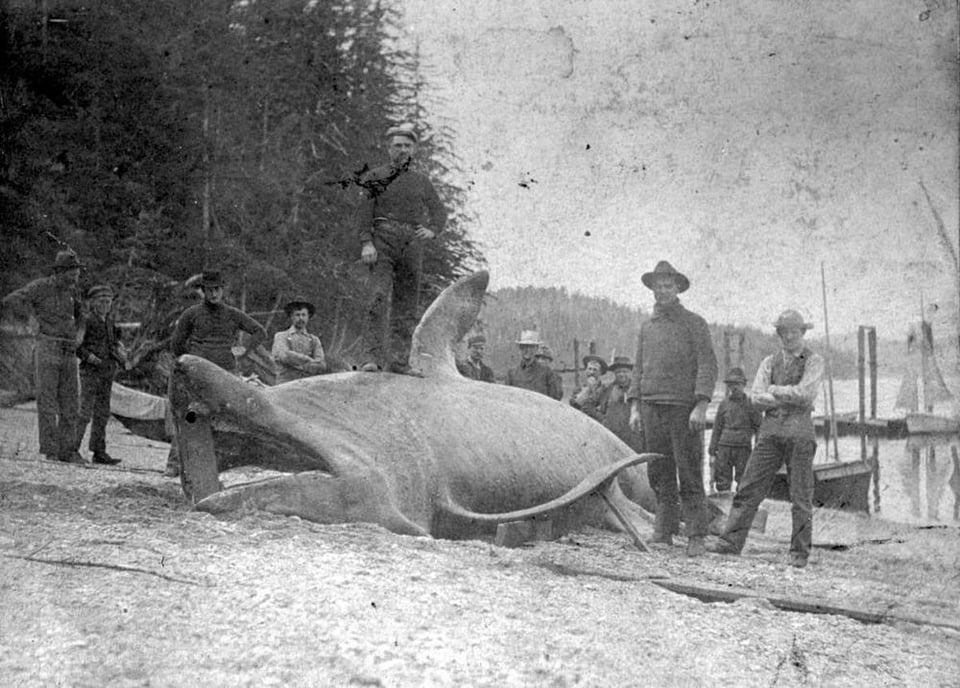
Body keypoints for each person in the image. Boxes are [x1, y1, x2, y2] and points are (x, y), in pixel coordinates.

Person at [708, 310, 824, 568]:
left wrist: (774, 391)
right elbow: (756, 398)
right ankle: (730, 543)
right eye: (785, 331)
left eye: (795, 331)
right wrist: (783, 396)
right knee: (748, 488)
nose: (790, 336)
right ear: (779, 334)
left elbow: (806, 393)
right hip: (770, 432)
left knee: (801, 496)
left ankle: (799, 553)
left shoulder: (814, 361)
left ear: (802, 333)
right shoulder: (769, 362)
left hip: (799, 432)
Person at [627, 260, 718, 556]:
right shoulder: (646, 327)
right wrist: (636, 407)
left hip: (683, 409)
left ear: (678, 288)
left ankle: (696, 534)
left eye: (668, 286)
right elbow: (639, 367)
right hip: (652, 407)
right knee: (658, 471)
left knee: (689, 470)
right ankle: (663, 531)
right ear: (651, 289)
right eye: (658, 287)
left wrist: (701, 404)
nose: (662, 291)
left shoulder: (694, 323)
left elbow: (707, 364)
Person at [357, 123, 447, 374]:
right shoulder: (375, 177)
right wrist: (366, 242)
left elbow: (439, 212)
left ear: (414, 149)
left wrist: (432, 230)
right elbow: (364, 212)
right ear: (389, 148)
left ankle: (399, 362)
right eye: (398, 145)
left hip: (411, 243)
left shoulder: (421, 181)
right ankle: (370, 359)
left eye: (408, 146)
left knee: (407, 305)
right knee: (377, 297)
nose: (403, 150)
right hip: (382, 239)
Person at [164, 270, 267, 477]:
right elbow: (176, 343)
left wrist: (244, 352)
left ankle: (221, 465)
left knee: (227, 418)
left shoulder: (232, 314)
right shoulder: (191, 314)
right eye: (209, 290)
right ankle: (175, 464)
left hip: (225, 373)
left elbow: (259, 332)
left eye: (217, 290)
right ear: (203, 291)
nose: (213, 295)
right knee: (189, 416)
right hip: (197, 374)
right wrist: (189, 361)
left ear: (222, 290)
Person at [1, 249, 85, 463]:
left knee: (71, 403)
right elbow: (12, 300)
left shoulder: (74, 291)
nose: (74, 279)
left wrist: (80, 335)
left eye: (76, 275)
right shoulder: (40, 287)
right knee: (47, 402)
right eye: (71, 274)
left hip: (68, 351)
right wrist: (31, 317)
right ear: (59, 272)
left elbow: (81, 315)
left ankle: (69, 450)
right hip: (47, 346)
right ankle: (51, 451)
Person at [76, 284, 124, 465]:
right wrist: (90, 358)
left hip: (106, 371)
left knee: (102, 413)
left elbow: (113, 345)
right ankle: (71, 448)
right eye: (102, 301)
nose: (106, 305)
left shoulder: (110, 323)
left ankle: (98, 451)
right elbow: (77, 346)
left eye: (108, 301)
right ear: (93, 303)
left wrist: (120, 357)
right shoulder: (86, 321)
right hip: (90, 371)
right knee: (84, 411)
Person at [708, 367, 761, 493]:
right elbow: (717, 427)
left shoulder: (751, 405)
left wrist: (758, 448)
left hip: (743, 447)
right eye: (731, 384)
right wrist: (712, 448)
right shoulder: (723, 404)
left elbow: (759, 427)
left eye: (737, 384)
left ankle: (740, 509)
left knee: (743, 481)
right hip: (724, 447)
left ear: (744, 385)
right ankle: (724, 505)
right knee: (722, 480)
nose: (734, 387)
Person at [271, 298, 326, 384]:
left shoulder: (314, 340)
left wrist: (299, 362)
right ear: (291, 317)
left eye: (304, 315)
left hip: (307, 385)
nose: (301, 318)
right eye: (297, 315)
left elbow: (321, 364)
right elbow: (285, 356)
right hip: (286, 385)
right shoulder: (281, 336)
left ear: (308, 317)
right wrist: (310, 361)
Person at [600, 356, 644, 453]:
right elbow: (599, 408)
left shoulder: (637, 390)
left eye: (624, 371)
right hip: (614, 434)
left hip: (634, 436)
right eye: (618, 372)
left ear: (630, 373)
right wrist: (604, 420)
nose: (621, 374)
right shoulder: (608, 389)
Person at [505, 330, 561, 400]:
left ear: (536, 348)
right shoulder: (512, 374)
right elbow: (507, 399)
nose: (527, 350)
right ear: (520, 349)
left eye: (530, 347)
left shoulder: (547, 373)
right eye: (523, 347)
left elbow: (555, 399)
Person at [570, 354, 608, 421]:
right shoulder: (579, 389)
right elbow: (573, 405)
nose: (591, 372)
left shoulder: (605, 390)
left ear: (600, 372)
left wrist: (593, 412)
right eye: (589, 369)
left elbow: (605, 413)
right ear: (586, 370)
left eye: (595, 370)